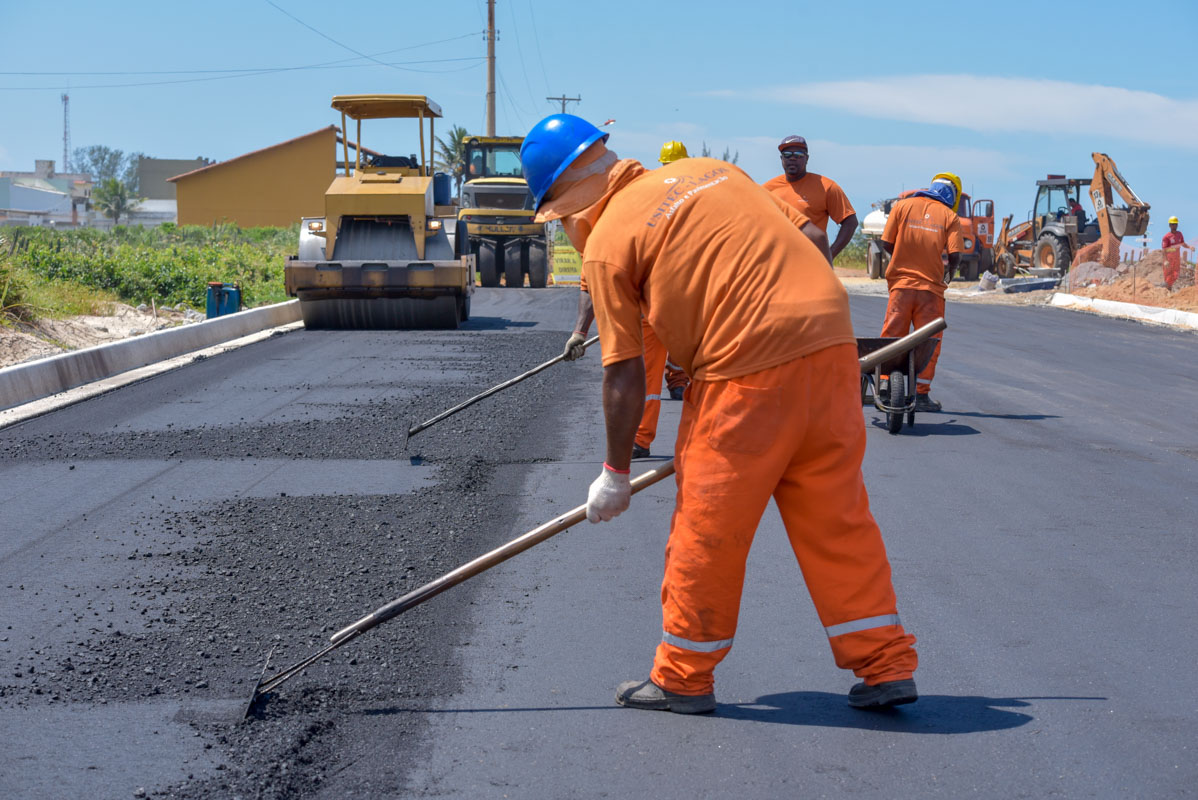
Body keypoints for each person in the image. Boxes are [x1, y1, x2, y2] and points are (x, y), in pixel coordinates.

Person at [524, 113, 918, 715]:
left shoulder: (605, 245)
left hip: (746, 367)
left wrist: (614, 472)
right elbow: (812, 241)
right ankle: (885, 663)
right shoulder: (711, 170)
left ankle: (683, 676)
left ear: (569, 201)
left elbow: (624, 371)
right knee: (836, 518)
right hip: (833, 345)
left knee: (707, 526)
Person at [562, 138, 831, 459]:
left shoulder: (615, 227)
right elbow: (814, 236)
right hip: (737, 321)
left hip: (687, 319)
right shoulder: (719, 178)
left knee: (663, 373)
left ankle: (672, 430)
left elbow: (618, 361)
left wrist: (614, 472)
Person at [878, 175, 964, 413]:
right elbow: (956, 254)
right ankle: (921, 394)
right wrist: (950, 272)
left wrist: (901, 258)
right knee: (929, 342)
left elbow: (886, 242)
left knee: (892, 335)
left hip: (901, 288)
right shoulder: (950, 216)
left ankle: (885, 383)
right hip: (931, 291)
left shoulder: (902, 206)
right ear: (951, 197)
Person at [762, 135, 859, 261]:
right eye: (787, 154)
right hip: (778, 262)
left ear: (806, 158)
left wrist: (830, 254)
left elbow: (850, 222)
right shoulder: (767, 190)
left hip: (813, 262)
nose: (792, 158)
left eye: (798, 154)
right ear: (781, 159)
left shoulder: (826, 187)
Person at [1162, 216, 1187, 291]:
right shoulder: (1166, 237)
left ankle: (1169, 290)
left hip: (1176, 259)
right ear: (1169, 225)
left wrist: (1189, 247)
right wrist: (1166, 260)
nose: (1174, 226)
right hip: (1169, 260)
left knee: (1175, 275)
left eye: (1175, 224)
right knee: (1168, 276)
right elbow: (1164, 249)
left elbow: (1183, 243)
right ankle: (1167, 292)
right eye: (1172, 224)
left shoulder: (1179, 234)